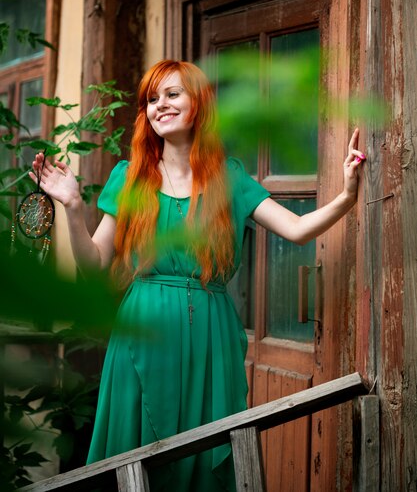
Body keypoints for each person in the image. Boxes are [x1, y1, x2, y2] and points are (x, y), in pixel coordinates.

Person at [30, 59, 366, 492]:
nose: (160, 106)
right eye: (152, 99)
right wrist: (73, 208)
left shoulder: (230, 178)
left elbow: (298, 230)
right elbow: (94, 263)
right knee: (134, 454)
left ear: (199, 104)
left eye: (172, 95)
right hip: (142, 331)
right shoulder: (129, 177)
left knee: (207, 446)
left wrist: (346, 195)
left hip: (212, 335)